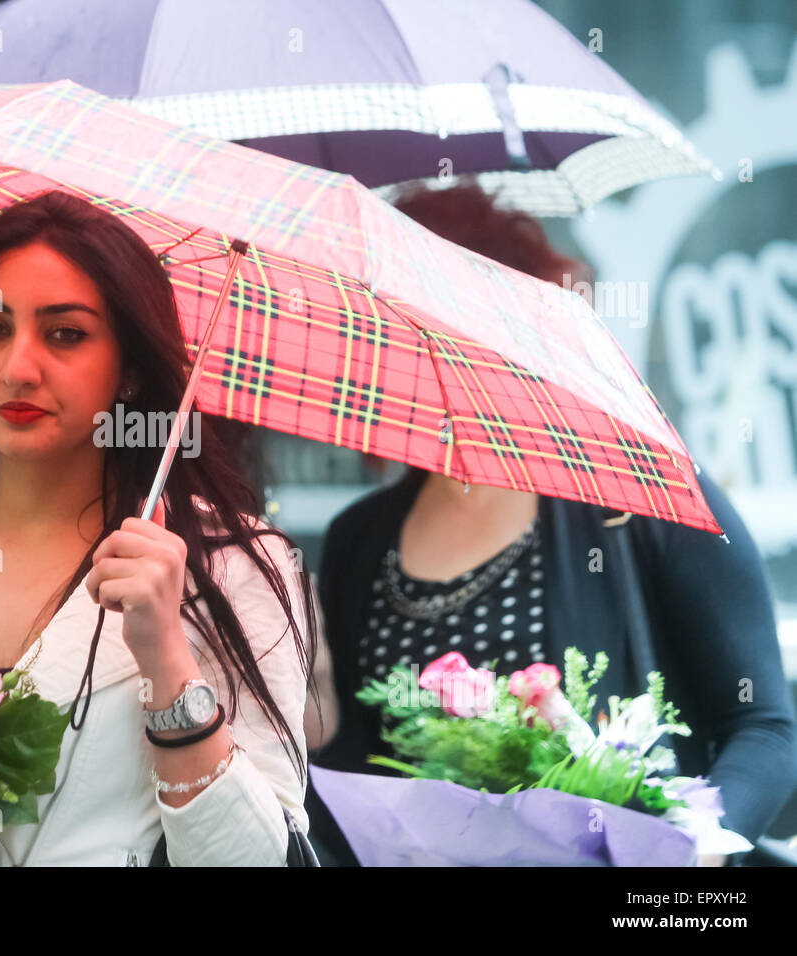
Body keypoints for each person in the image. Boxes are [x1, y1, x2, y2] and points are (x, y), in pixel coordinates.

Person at [0, 190, 320, 866]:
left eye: (65, 333)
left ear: (129, 369)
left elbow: (258, 860)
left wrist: (165, 657)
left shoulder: (227, 567)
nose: (19, 367)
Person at [308, 184, 797, 863]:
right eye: (391, 330)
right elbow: (353, 766)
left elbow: (766, 727)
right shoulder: (359, 539)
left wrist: (695, 849)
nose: (426, 353)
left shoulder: (640, 491)